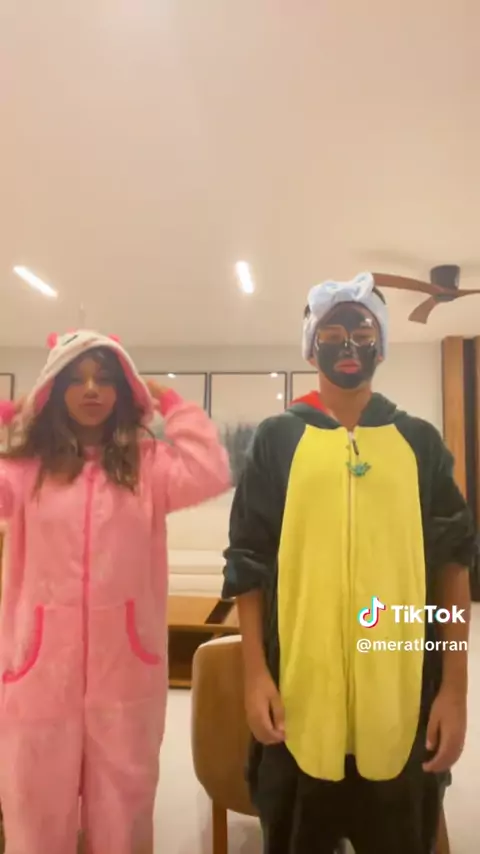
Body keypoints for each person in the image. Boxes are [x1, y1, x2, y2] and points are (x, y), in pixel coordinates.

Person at [222, 273, 474, 854]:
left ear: (381, 346)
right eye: (332, 334)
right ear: (311, 348)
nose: (349, 346)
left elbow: (454, 565)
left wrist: (454, 689)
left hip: (403, 694)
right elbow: (248, 562)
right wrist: (255, 674)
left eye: (362, 333)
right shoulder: (277, 440)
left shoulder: (419, 443)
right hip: (298, 699)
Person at [0, 329, 230, 854]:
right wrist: (9, 415)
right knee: (35, 815)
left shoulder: (148, 465)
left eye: (104, 379)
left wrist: (172, 403)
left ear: (122, 390)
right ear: (54, 391)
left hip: (126, 674)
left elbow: (211, 471)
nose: (90, 390)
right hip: (38, 674)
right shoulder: (27, 469)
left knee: (123, 820)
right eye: (76, 379)